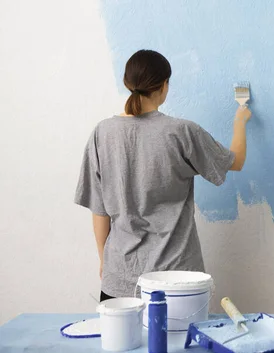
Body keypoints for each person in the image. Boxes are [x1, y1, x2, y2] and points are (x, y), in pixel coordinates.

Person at [74, 49, 251, 301]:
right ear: (164, 85)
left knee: (124, 342)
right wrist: (240, 121)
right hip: (178, 281)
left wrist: (105, 261)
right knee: (179, 342)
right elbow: (236, 161)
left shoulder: (102, 133)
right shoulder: (181, 132)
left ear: (129, 84)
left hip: (119, 280)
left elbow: (99, 209)